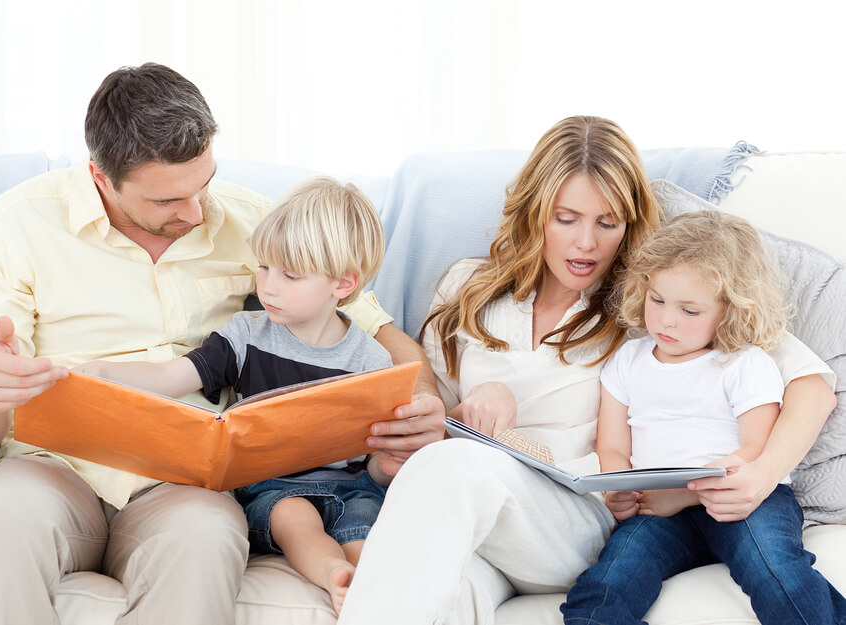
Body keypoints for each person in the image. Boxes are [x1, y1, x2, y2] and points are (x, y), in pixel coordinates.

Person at [0, 63, 444, 625]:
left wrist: (424, 406)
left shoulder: (259, 226)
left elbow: (385, 340)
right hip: (52, 471)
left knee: (207, 535)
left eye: (204, 184)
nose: (197, 212)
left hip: (186, 482)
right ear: (101, 177)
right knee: (3, 516)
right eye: (167, 202)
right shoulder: (14, 228)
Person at [337, 116, 838, 624]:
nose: (586, 245)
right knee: (440, 596)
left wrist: (761, 474)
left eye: (607, 222)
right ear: (535, 212)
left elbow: (812, 386)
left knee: (452, 468)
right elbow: (430, 439)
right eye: (566, 218)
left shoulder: (654, 303)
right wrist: (399, 453)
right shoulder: (467, 290)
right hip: (485, 529)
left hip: (579, 519)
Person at [77, 176, 394, 614]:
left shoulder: (372, 361)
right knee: (295, 519)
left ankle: (374, 595)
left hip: (353, 489)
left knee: (361, 528)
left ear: (342, 284)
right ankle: (334, 578)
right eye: (263, 267)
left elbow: (375, 464)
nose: (269, 287)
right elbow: (173, 375)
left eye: (290, 275)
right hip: (274, 490)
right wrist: (101, 373)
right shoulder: (246, 335)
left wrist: (387, 464)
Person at [560, 210, 845, 625]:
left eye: (690, 311)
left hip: (747, 502)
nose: (667, 319)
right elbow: (613, 446)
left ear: (729, 311)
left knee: (777, 573)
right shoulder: (627, 360)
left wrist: (682, 495)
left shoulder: (744, 363)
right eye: (657, 300)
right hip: (657, 513)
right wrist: (616, 491)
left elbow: (754, 450)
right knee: (604, 587)